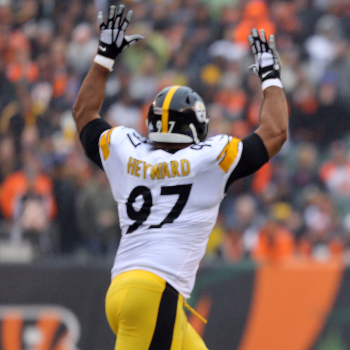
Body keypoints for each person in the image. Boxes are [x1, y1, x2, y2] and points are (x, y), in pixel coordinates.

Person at [72, 5, 287, 349]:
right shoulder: (208, 158)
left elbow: (84, 114)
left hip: (130, 289)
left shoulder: (125, 150)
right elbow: (274, 132)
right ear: (198, 126)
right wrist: (271, 77)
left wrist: (104, 57)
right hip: (154, 292)